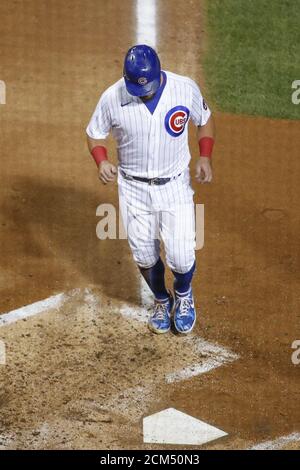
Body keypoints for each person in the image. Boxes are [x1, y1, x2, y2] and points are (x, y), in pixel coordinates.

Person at [86, 45, 215, 335]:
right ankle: (160, 298)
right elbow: (94, 134)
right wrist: (102, 161)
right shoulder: (112, 98)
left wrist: (205, 155)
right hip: (133, 188)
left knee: (181, 256)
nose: (143, 92)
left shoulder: (184, 89)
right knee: (144, 255)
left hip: (174, 186)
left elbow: (204, 120)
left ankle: (183, 294)